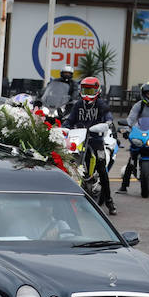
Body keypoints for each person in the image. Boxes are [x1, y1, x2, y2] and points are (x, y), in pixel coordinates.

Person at [64, 76, 116, 215]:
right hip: (79, 139)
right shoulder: (78, 105)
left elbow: (108, 117)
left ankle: (109, 201)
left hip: (95, 140)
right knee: (69, 162)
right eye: (85, 89)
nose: (87, 93)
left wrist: (107, 123)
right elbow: (69, 120)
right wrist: (64, 127)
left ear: (97, 91)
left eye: (91, 90)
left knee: (101, 166)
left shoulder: (101, 104)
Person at [119, 81, 149, 192]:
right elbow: (130, 119)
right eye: (148, 94)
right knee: (133, 156)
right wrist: (126, 130)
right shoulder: (138, 105)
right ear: (143, 94)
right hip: (141, 133)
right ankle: (124, 185)